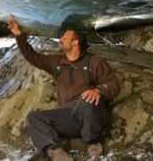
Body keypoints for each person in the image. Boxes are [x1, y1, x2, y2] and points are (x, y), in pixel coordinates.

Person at [8, 15, 120, 161]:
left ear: (75, 42)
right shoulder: (57, 62)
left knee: (87, 98)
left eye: (65, 37)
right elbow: (32, 56)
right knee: (34, 117)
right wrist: (19, 35)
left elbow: (113, 84)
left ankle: (93, 144)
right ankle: (56, 153)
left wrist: (98, 91)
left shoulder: (94, 62)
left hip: (90, 116)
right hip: (68, 117)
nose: (60, 39)